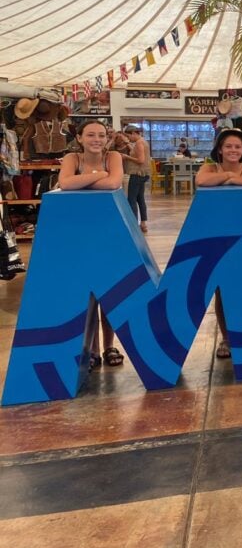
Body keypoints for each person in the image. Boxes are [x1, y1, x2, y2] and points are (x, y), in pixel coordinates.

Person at [58, 119, 126, 369]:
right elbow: (64, 183)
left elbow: (114, 183)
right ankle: (92, 348)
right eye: (90, 135)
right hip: (80, 233)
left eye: (101, 135)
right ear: (80, 138)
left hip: (110, 231)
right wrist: (98, 176)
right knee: (89, 296)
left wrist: (86, 180)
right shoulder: (71, 159)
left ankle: (109, 345)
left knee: (109, 293)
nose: (96, 139)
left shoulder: (114, 156)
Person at [195, 129, 242, 359]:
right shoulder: (209, 167)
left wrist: (231, 178)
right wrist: (228, 177)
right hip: (215, 235)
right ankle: (226, 338)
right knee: (221, 290)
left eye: (237, 147)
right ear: (219, 149)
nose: (233, 150)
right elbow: (202, 181)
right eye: (228, 146)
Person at [122, 126, 150, 233]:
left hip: (137, 173)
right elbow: (136, 151)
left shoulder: (139, 143)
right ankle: (143, 223)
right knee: (140, 198)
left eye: (129, 136)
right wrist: (128, 144)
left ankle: (133, 224)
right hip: (143, 174)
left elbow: (140, 160)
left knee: (131, 199)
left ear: (134, 133)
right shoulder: (142, 141)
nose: (129, 138)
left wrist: (126, 157)